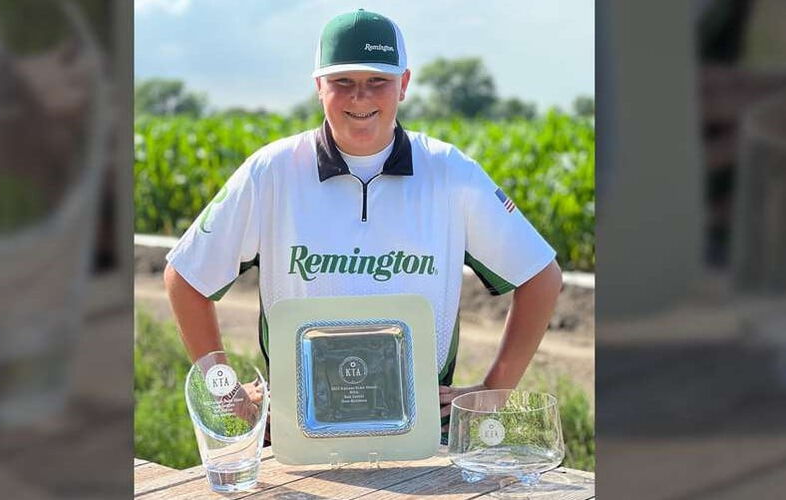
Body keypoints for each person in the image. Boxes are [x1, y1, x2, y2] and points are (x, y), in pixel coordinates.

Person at [164, 9, 562, 442]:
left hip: (423, 440)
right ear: (318, 86)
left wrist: (494, 391)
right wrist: (225, 392)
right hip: (298, 440)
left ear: (404, 84)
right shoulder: (271, 173)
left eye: (378, 81)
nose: (360, 98)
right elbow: (186, 277)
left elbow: (541, 276)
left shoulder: (451, 173)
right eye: (342, 83)